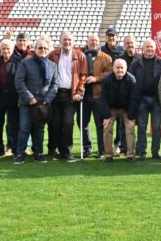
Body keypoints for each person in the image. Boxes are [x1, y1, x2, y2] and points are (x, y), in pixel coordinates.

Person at [13, 36, 58, 164]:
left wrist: (47, 99)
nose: (42, 50)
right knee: (24, 128)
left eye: (45, 48)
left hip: (43, 104)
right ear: (35, 49)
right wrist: (30, 98)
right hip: (27, 103)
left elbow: (55, 85)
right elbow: (19, 82)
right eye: (40, 48)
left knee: (39, 129)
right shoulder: (25, 63)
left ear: (48, 49)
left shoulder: (52, 65)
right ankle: (20, 153)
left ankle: (38, 153)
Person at [47, 32, 88, 162]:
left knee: (68, 122)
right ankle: (60, 151)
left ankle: (68, 151)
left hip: (71, 95)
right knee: (56, 124)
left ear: (73, 41)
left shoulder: (80, 56)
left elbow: (83, 76)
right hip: (56, 94)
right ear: (60, 41)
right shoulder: (52, 55)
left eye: (69, 40)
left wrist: (79, 92)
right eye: (64, 40)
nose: (67, 42)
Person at [98, 58, 140, 162]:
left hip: (126, 109)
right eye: (117, 67)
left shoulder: (132, 79)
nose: (120, 70)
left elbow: (134, 99)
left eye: (122, 68)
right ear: (113, 68)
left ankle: (130, 155)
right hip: (111, 108)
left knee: (130, 128)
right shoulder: (107, 80)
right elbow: (103, 99)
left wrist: (131, 116)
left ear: (126, 68)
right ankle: (108, 155)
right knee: (107, 128)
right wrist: (107, 116)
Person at [131, 39, 161, 160]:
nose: (149, 49)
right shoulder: (135, 63)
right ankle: (141, 151)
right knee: (142, 126)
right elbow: (131, 81)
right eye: (147, 47)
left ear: (155, 48)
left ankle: (155, 152)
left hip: (157, 100)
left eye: (151, 47)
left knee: (156, 127)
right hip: (142, 99)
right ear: (142, 49)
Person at [80, 33, 109, 158]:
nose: (94, 43)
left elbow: (109, 73)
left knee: (99, 123)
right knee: (83, 122)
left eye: (96, 41)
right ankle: (87, 147)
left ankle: (101, 150)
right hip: (83, 95)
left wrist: (96, 78)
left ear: (99, 42)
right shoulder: (81, 56)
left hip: (99, 95)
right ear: (87, 42)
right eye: (91, 41)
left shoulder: (106, 58)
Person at [0, 39, 21, 158]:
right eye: (3, 48)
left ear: (13, 49)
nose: (6, 50)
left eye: (8, 48)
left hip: (13, 97)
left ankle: (14, 149)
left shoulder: (19, 62)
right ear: (0, 50)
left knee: (13, 124)